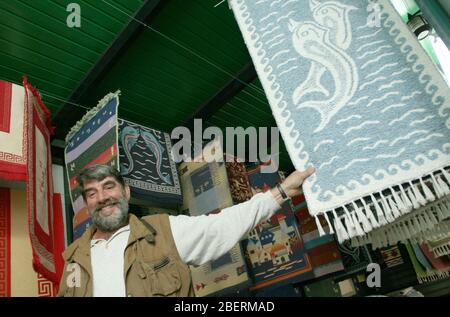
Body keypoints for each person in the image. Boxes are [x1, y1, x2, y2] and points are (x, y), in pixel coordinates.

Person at [58, 164, 315, 297]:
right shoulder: (73, 259)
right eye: (92, 193)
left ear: (126, 192)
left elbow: (220, 226)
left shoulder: (162, 230)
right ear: (87, 204)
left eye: (108, 187)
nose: (102, 197)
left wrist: (279, 193)